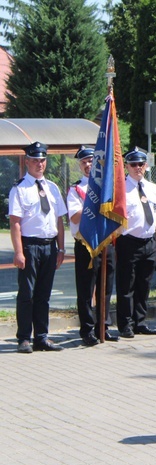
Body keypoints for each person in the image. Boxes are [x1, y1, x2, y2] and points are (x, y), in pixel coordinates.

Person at [9, 142, 67, 353]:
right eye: (35, 160)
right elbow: (15, 222)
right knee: (27, 294)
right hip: (30, 246)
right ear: (27, 162)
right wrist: (18, 252)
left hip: (49, 246)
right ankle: (24, 337)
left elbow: (59, 220)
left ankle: (41, 337)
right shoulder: (19, 188)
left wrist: (61, 249)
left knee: (44, 294)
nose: (39, 164)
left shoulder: (52, 187)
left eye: (42, 160)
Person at [115, 148, 156, 338]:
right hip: (128, 241)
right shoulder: (120, 188)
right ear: (126, 166)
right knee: (126, 286)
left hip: (149, 241)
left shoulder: (152, 188)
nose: (138, 168)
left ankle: (140, 321)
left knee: (144, 285)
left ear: (146, 166)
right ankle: (125, 324)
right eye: (133, 164)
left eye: (141, 164)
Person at [68, 146, 116, 346]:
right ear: (80, 165)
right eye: (85, 162)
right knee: (86, 289)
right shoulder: (75, 189)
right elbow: (75, 216)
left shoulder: (108, 187)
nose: (88, 165)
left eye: (92, 161)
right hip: (86, 242)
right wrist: (92, 203)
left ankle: (102, 326)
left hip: (106, 241)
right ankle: (87, 330)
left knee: (105, 287)